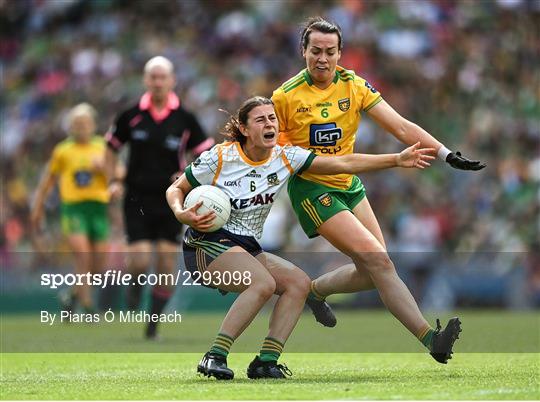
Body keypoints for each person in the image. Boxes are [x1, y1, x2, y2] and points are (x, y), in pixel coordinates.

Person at [166, 96, 435, 380]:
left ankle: (266, 361)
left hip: (245, 246)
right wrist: (181, 212)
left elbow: (343, 162)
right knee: (262, 283)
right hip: (205, 243)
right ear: (244, 129)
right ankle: (214, 356)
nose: (269, 123)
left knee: (299, 284)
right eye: (260, 119)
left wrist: (395, 159)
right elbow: (176, 188)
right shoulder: (221, 156)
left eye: (272, 118)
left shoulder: (285, 156)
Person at [272, 17, 487, 364]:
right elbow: (278, 155)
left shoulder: (354, 85)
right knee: (380, 261)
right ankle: (432, 339)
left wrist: (445, 154)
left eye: (330, 51)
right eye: (315, 51)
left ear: (341, 53)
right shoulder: (284, 97)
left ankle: (314, 291)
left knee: (374, 272)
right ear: (303, 51)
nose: (322, 59)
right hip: (312, 190)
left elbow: (400, 125)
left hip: (350, 186)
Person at [104, 56, 214, 339]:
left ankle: (152, 325)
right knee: (139, 262)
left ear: (172, 80)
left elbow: (205, 154)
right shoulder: (130, 116)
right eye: (153, 77)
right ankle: (134, 288)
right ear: (145, 80)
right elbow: (110, 148)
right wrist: (113, 180)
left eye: (162, 77)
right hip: (136, 197)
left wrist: (187, 173)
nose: (157, 82)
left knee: (166, 264)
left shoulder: (185, 119)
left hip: (171, 199)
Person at [31, 103, 109, 314]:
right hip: (74, 208)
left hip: (98, 208)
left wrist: (105, 169)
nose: (81, 127)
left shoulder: (102, 146)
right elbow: (47, 181)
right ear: (70, 127)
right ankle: (88, 306)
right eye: (76, 124)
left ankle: (72, 295)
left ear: (93, 125)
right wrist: (37, 210)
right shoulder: (62, 150)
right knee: (83, 256)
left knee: (98, 263)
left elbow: (118, 173)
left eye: (84, 123)